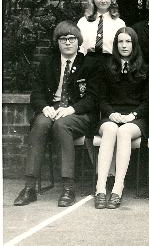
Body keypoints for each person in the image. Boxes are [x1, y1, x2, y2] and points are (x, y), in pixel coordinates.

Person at [14, 22, 98, 207]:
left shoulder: (89, 64)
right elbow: (36, 93)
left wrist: (71, 109)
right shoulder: (48, 63)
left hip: (77, 113)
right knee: (40, 124)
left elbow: (93, 97)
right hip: (52, 109)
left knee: (62, 125)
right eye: (63, 39)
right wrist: (44, 107)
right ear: (57, 42)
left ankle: (68, 187)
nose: (68, 43)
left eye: (72, 39)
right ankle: (29, 188)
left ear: (78, 41)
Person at [93, 27, 149, 209]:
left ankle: (117, 188)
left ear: (134, 44)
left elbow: (148, 101)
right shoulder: (106, 67)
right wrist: (111, 114)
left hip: (135, 118)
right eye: (120, 42)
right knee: (110, 129)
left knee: (124, 131)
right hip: (111, 115)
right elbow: (101, 99)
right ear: (116, 45)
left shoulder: (145, 69)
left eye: (128, 42)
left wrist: (132, 115)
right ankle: (100, 188)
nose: (124, 45)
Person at [77, 0, 125, 65]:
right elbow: (79, 47)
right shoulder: (83, 22)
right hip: (87, 63)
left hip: (110, 63)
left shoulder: (119, 23)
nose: (103, 0)